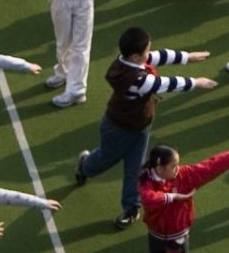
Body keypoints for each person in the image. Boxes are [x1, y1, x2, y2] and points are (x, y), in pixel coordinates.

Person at [78, 27, 216, 228]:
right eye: (146, 51)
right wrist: (196, 82)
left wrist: (186, 57)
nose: (149, 54)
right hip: (119, 129)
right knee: (104, 160)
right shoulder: (137, 80)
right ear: (135, 56)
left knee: (136, 170)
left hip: (140, 127)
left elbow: (157, 57)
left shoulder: (128, 60)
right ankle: (84, 166)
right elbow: (165, 84)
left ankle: (131, 208)